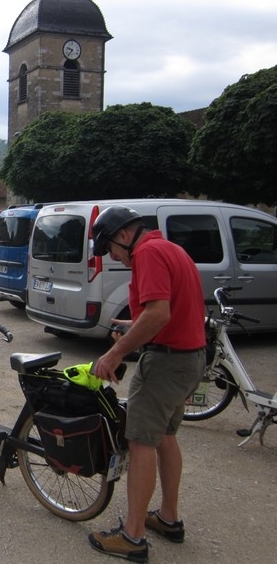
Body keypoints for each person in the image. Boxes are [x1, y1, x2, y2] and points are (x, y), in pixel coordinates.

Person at [87, 206, 206, 563]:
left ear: (124, 235)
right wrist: (132, 325)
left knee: (140, 442)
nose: (113, 256)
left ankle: (133, 537)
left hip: (166, 363)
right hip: (189, 357)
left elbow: (158, 313)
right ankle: (169, 518)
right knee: (165, 437)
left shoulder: (147, 254)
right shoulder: (170, 248)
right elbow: (168, 309)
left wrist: (114, 354)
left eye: (110, 248)